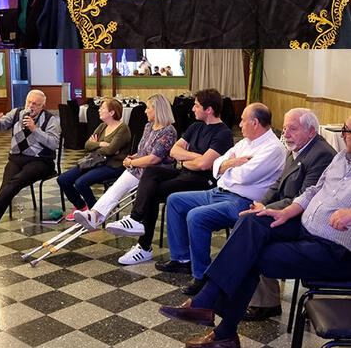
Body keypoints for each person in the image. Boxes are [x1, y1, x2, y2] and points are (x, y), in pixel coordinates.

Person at [157, 114, 351, 348]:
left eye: (348, 131)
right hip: (303, 227)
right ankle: (211, 312)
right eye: (343, 129)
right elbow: (313, 190)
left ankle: (217, 323)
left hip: (335, 249)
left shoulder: (323, 153)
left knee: (250, 256)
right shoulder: (342, 156)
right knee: (252, 222)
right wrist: (285, 211)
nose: (342, 135)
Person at [158, 103, 286, 296]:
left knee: (196, 217)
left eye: (243, 120)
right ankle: (181, 259)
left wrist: (225, 168)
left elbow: (245, 176)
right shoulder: (246, 142)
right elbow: (216, 166)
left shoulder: (273, 148)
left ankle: (201, 276)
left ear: (255, 122)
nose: (239, 124)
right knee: (175, 200)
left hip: (242, 201)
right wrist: (231, 164)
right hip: (219, 192)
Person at [106, 89, 234, 266]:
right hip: (186, 173)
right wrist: (197, 157)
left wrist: (189, 158)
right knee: (151, 172)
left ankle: (144, 246)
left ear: (209, 109)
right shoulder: (196, 126)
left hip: (205, 181)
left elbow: (204, 165)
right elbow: (174, 151)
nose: (193, 109)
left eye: (197, 106)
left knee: (152, 191)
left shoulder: (223, 133)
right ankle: (136, 220)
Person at [239, 107, 335, 321]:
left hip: (302, 220)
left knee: (254, 228)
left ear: (311, 131)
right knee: (251, 222)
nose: (286, 134)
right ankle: (258, 298)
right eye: (284, 128)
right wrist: (262, 204)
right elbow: (278, 184)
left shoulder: (322, 154)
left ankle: (262, 301)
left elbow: (304, 198)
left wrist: (267, 210)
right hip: (285, 212)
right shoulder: (298, 148)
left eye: (292, 128)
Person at [73, 94, 177, 231]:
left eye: (148, 108)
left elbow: (154, 158)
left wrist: (133, 163)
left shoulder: (168, 131)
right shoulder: (149, 126)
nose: (145, 111)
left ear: (157, 110)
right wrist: (133, 158)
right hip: (140, 167)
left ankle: (129, 221)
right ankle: (94, 215)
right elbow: (143, 151)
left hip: (155, 172)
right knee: (115, 188)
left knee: (120, 187)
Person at [0, 90, 60, 237]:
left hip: (41, 161)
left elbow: (53, 144)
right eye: (29, 102)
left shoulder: (49, 119)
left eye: (35, 104)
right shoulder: (16, 113)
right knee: (7, 185)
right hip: (16, 158)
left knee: (16, 182)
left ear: (42, 106)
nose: (31, 106)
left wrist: (35, 129)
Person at [57, 98, 131, 221]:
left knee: (81, 182)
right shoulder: (102, 126)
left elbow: (111, 151)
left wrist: (96, 146)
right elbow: (87, 145)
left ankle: (94, 213)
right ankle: (81, 207)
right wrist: (101, 144)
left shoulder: (122, 129)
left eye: (102, 108)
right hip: (94, 161)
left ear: (111, 113)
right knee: (63, 179)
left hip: (113, 165)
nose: (99, 110)